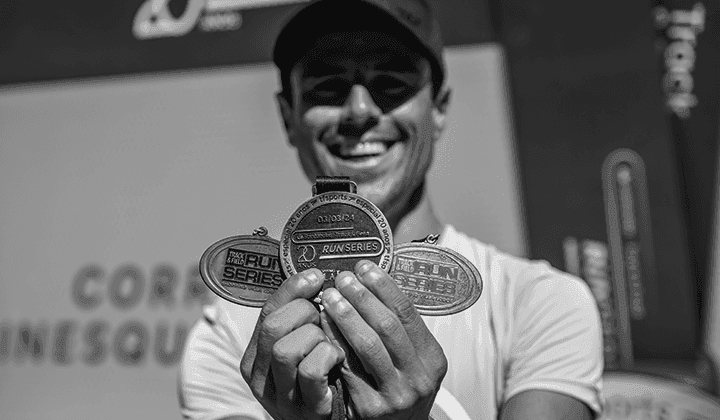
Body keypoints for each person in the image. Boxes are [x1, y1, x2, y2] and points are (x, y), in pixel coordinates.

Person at [178, 0, 604, 419]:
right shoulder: (232, 339)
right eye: (327, 87)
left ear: (439, 108)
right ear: (289, 116)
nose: (359, 111)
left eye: (391, 83)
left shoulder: (540, 305)